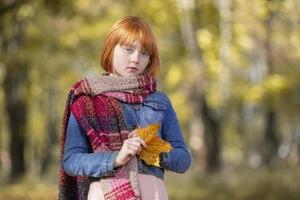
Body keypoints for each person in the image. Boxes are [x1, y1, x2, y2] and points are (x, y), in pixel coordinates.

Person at [58, 16, 192, 200]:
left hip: (153, 194)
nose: (136, 58)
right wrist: (116, 158)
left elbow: (184, 160)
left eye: (144, 53)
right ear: (110, 48)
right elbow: (71, 162)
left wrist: (153, 150)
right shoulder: (86, 101)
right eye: (128, 49)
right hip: (105, 194)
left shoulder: (159, 101)